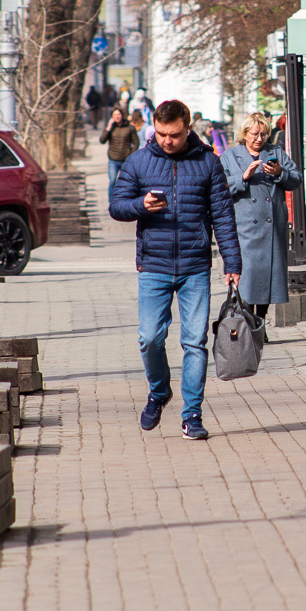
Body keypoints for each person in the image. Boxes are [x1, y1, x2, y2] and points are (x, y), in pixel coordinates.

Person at [109, 99, 242, 440]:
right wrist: (141, 205)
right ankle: (158, 391)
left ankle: (192, 415)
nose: (167, 141)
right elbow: (116, 206)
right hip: (153, 263)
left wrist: (232, 262)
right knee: (150, 337)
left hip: (195, 265)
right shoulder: (139, 161)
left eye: (175, 134)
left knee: (195, 342)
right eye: (162, 134)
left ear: (187, 128)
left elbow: (223, 216)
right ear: (155, 127)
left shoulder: (208, 163)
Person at [222, 111, 302, 318]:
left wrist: (279, 173)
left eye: (263, 135)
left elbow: (296, 179)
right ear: (245, 133)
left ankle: (261, 321)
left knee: (268, 278)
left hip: (271, 226)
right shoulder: (230, 156)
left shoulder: (276, 152)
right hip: (245, 227)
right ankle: (248, 321)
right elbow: (220, 188)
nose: (259, 139)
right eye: (255, 134)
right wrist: (243, 177)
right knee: (248, 278)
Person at [100, 107, 137, 193]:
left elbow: (136, 142)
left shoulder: (129, 127)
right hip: (113, 159)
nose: (117, 117)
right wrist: (108, 127)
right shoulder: (111, 128)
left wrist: (131, 154)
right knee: (112, 181)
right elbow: (102, 140)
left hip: (125, 160)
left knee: (126, 183)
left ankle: (124, 202)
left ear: (122, 115)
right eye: (114, 115)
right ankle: (111, 202)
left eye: (118, 114)